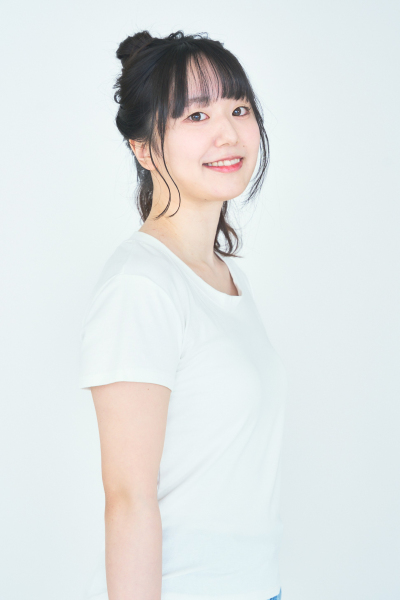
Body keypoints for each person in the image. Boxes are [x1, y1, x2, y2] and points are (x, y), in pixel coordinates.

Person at [79, 29, 288, 600]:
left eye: (238, 108)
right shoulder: (141, 286)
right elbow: (128, 500)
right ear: (144, 149)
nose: (228, 133)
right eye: (196, 116)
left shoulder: (225, 276)